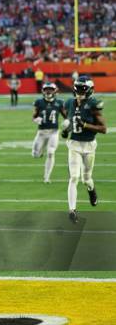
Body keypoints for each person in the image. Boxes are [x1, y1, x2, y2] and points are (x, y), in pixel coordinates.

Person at [61, 76, 107, 223]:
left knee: (86, 179)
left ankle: (91, 190)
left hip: (89, 145)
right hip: (74, 144)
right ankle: (72, 210)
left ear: (89, 90)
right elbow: (69, 119)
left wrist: (85, 125)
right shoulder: (69, 103)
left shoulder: (94, 104)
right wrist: (66, 130)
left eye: (83, 89)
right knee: (73, 177)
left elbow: (103, 129)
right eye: (78, 88)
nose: (80, 91)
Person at [31, 83, 66, 183]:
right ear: (43, 91)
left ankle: (47, 177)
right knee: (35, 154)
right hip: (41, 133)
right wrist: (36, 119)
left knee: (51, 152)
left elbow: (66, 116)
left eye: (50, 89)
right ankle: (40, 152)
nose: (48, 91)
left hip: (53, 132)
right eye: (46, 89)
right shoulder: (39, 102)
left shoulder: (59, 102)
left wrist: (67, 123)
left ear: (55, 91)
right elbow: (34, 116)